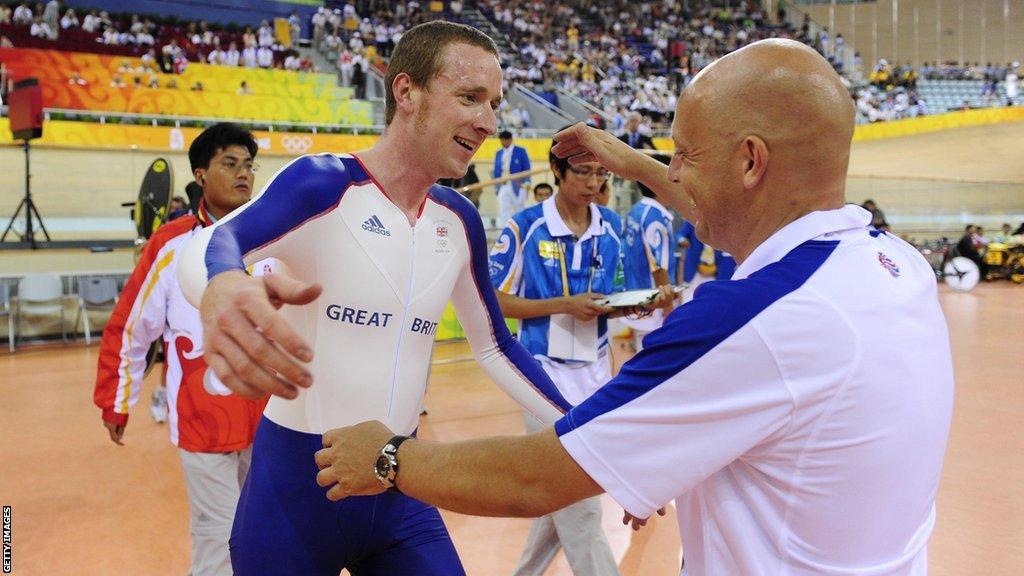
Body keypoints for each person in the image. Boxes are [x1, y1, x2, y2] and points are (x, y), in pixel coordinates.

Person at [313, 39, 955, 575]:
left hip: (577, 402)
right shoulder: (891, 266)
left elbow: (539, 478)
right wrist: (633, 162)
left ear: (751, 161)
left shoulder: (751, 320)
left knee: (570, 514)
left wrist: (391, 456)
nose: (673, 174)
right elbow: (745, 218)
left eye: (684, 155)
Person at [177, 21, 572, 576]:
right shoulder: (323, 185)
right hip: (294, 489)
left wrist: (589, 432)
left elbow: (496, 349)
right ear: (406, 92)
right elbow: (216, 244)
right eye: (470, 98)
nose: (488, 122)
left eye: (494, 103)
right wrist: (223, 283)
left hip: (396, 482)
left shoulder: (457, 220)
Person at [489, 140, 669, 576]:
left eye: (602, 175)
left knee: (559, 500)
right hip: (541, 377)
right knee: (583, 507)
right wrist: (564, 304)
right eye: (583, 173)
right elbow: (493, 300)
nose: (594, 183)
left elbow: (609, 297)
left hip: (595, 377)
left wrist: (638, 304)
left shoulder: (611, 228)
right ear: (557, 170)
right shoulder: (524, 227)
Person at [94, 123, 267, 576]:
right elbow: (132, 326)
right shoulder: (169, 245)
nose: (243, 174)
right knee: (219, 539)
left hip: (270, 419)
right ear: (200, 174)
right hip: (202, 419)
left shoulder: (277, 238)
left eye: (249, 165)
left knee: (263, 533)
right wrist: (117, 400)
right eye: (229, 164)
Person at [622, 181, 675, 351]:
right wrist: (668, 308)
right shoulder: (655, 217)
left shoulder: (636, 210)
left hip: (634, 294)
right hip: (653, 301)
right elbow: (658, 266)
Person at [493, 129, 532, 224]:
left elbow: (526, 168)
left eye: (504, 140)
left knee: (519, 209)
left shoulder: (520, 151)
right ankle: (504, 233)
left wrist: (527, 183)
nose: (503, 142)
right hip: (503, 185)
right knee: (503, 210)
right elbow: (496, 170)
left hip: (518, 185)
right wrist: (496, 186)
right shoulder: (499, 153)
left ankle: (521, 233)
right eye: (501, 140)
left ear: (510, 139)